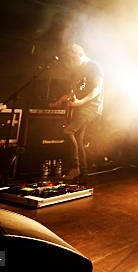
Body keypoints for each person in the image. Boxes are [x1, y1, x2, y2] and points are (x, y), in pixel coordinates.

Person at [52, 43, 104, 184]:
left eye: (72, 59)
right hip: (81, 108)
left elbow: (97, 89)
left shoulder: (94, 66)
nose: (70, 62)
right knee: (78, 140)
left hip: (91, 107)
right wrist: (60, 100)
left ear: (80, 54)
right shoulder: (77, 71)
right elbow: (74, 92)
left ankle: (75, 167)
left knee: (68, 131)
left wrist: (81, 102)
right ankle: (83, 176)